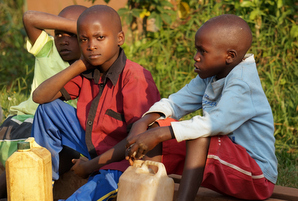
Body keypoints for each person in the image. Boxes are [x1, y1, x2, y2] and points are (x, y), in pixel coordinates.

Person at [126, 14, 278, 201]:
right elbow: (176, 103)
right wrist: (145, 121)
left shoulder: (242, 85)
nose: (195, 57)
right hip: (228, 167)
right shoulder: (212, 75)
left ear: (229, 56)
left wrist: (159, 134)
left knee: (197, 136)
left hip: (257, 178)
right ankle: (149, 195)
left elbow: (215, 124)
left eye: (202, 51)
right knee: (160, 124)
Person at [30, 4, 160, 201]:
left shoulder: (134, 78)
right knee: (47, 109)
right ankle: (43, 179)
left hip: (123, 162)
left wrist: (91, 166)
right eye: (84, 40)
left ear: (120, 38)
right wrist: (81, 63)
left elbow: (138, 141)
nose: (91, 45)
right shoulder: (88, 71)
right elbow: (39, 96)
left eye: (100, 38)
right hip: (94, 143)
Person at [0, 5, 87, 198]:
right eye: (59, 34)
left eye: (72, 35)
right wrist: (80, 26)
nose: (63, 41)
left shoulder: (93, 62)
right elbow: (30, 17)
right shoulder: (48, 49)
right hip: (24, 124)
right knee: (55, 154)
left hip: (54, 133)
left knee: (67, 153)